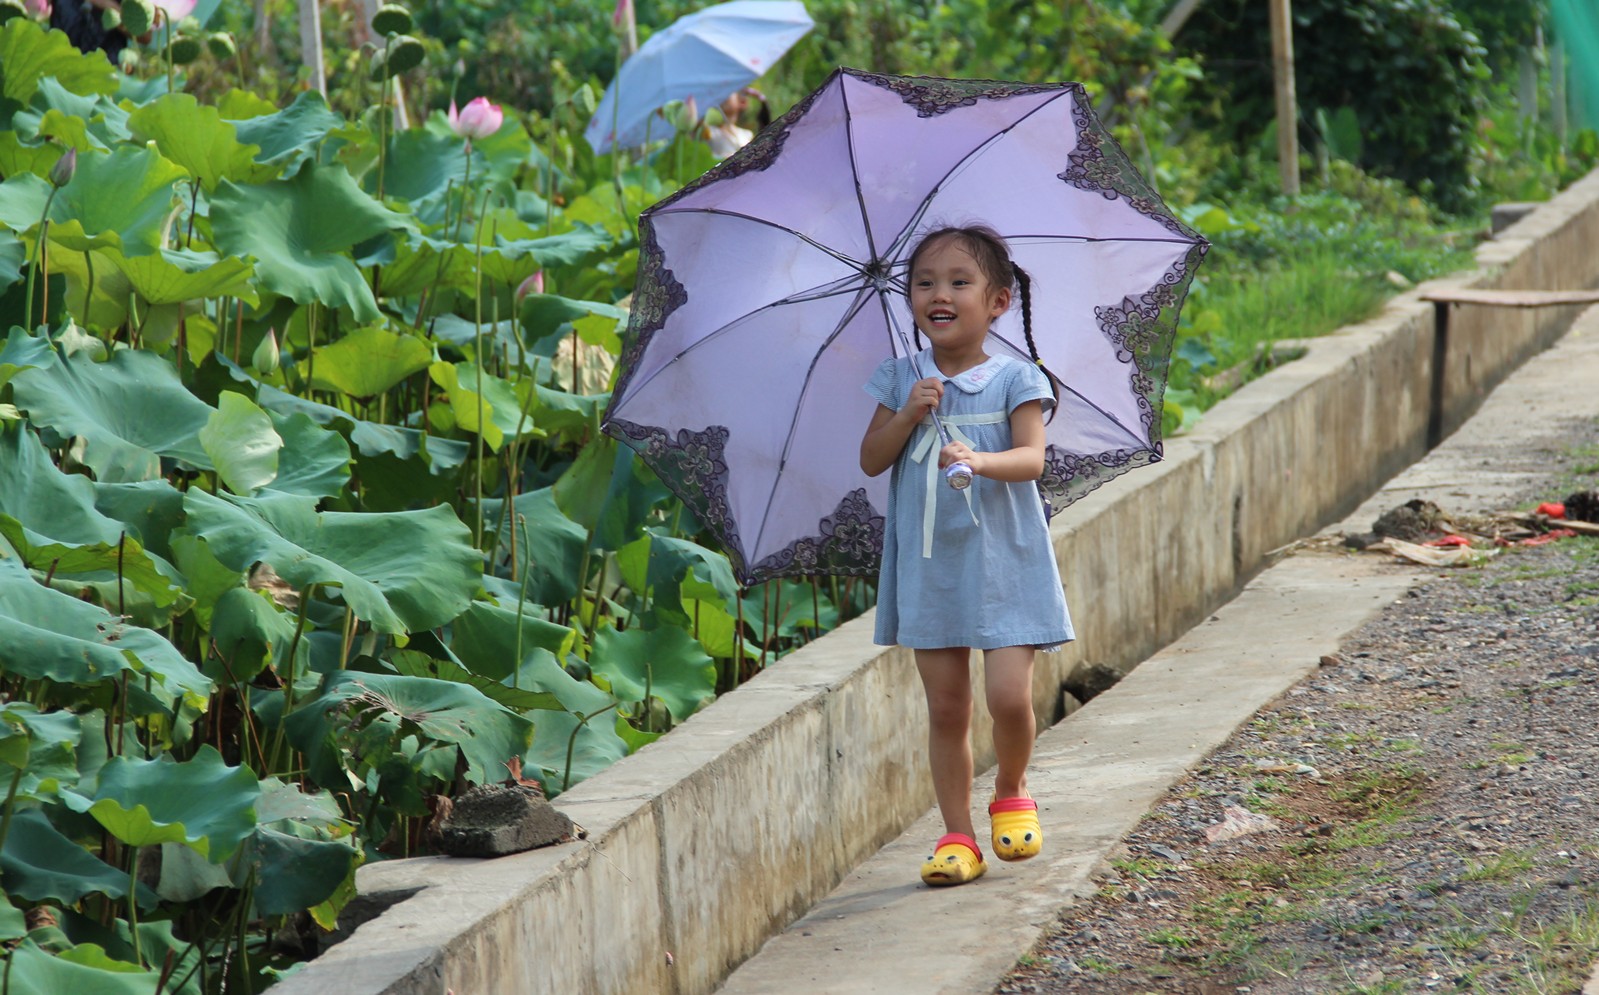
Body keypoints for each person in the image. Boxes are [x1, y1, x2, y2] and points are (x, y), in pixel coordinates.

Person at [859, 224, 1074, 887]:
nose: (938, 294)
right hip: (932, 565)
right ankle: (956, 834)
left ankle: (1010, 787)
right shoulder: (901, 377)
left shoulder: (1017, 377)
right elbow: (870, 459)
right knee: (946, 707)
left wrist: (977, 459)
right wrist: (906, 414)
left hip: (1004, 556)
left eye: (958, 282)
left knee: (1008, 696)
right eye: (923, 283)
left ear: (998, 302)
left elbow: (1032, 457)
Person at [705, 86, 768, 158]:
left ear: (742, 102)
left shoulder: (747, 135)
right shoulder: (708, 130)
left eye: (728, 92)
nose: (722, 96)